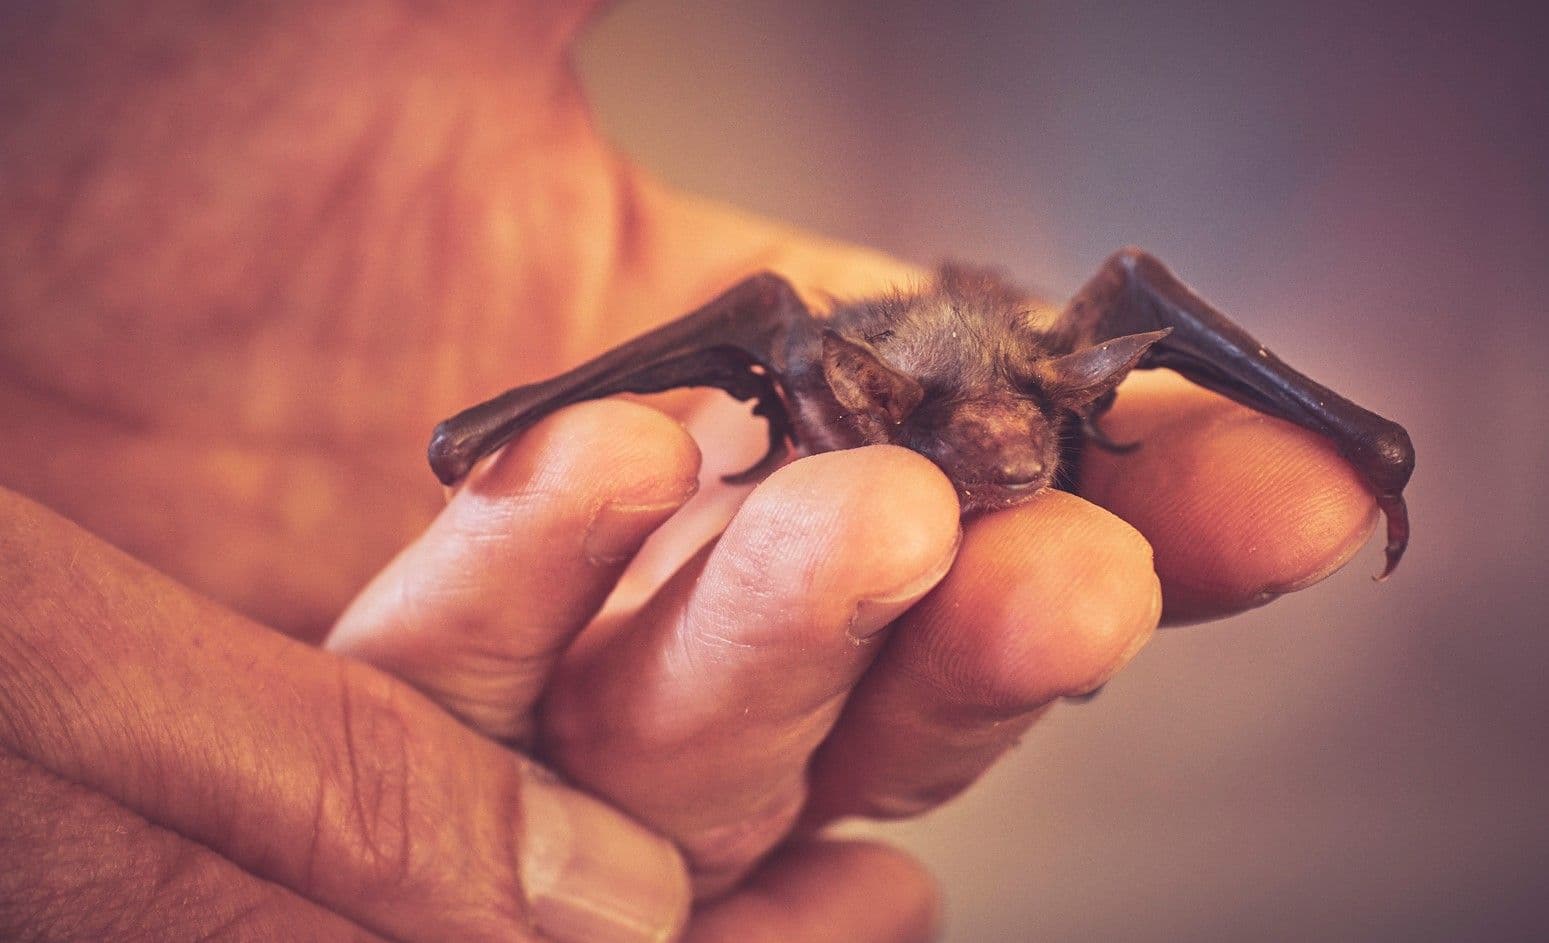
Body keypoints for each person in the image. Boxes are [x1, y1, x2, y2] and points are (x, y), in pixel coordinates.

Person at [0, 3, 1383, 941]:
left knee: (1042, 579)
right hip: (865, 370)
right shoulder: (836, 379)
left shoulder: (1047, 385)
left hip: (968, 350)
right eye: (995, 442)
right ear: (876, 410)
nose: (1017, 452)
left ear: (1070, 396)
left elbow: (1056, 378)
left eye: (1039, 432)